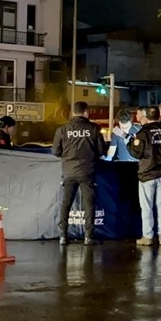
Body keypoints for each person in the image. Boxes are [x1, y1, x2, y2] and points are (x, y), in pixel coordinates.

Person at [52, 101, 106, 245]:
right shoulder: (94, 128)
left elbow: (55, 151)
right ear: (86, 112)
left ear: (72, 113)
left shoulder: (63, 129)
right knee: (89, 205)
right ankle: (89, 237)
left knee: (66, 204)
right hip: (88, 171)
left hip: (68, 172)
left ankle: (63, 235)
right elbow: (101, 151)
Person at [128, 107, 161, 246]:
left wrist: (130, 143)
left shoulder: (143, 133)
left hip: (147, 175)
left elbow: (136, 152)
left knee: (147, 206)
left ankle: (147, 236)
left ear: (146, 117)